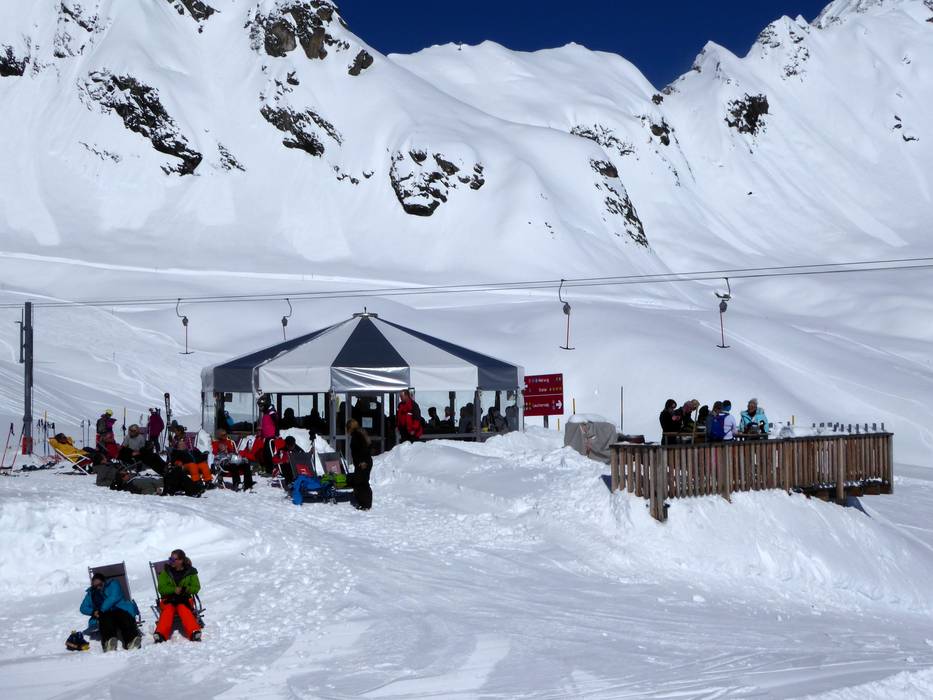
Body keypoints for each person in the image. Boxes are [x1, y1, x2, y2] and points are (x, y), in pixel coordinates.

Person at [80, 572, 141, 652]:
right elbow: (83, 608)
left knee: (124, 618)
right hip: (104, 614)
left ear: (104, 581)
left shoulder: (113, 584)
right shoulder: (91, 593)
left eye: (100, 585)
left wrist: (101, 610)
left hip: (119, 609)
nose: (98, 587)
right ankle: (109, 643)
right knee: (105, 619)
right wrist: (93, 612)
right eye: (95, 586)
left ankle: (131, 641)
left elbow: (113, 597)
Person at [154, 549, 202, 643]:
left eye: (173, 559)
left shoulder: (191, 572)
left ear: (181, 560)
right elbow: (161, 589)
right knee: (168, 609)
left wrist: (186, 589)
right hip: (168, 599)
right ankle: (160, 634)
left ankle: (194, 632)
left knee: (183, 607)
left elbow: (196, 587)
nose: (170, 561)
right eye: (170, 559)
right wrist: (174, 590)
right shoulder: (166, 572)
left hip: (184, 599)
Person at [348, 419, 373, 510]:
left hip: (363, 463)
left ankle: (364, 504)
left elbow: (362, 449)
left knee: (361, 483)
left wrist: (362, 461)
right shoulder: (361, 433)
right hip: (365, 461)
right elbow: (369, 446)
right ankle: (365, 503)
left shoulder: (357, 435)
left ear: (350, 427)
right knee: (363, 482)